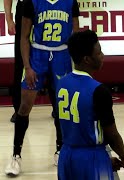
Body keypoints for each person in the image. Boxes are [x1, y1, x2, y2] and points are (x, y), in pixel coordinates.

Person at [5, 0, 80, 176]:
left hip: (62, 55)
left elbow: (75, 32)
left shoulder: (71, 2)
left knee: (62, 107)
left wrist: (75, 66)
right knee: (24, 107)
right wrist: (27, 67)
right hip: (38, 55)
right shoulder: (32, 2)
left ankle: (60, 150)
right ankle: (16, 155)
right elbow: (24, 37)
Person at [57, 29, 124, 180]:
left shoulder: (61, 83)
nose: (102, 56)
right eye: (99, 52)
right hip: (92, 157)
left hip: (66, 157)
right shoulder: (98, 90)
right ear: (87, 59)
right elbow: (112, 134)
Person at [3, 0, 57, 123]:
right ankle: (19, 110)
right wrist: (9, 18)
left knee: (51, 55)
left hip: (47, 7)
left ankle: (58, 107)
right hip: (24, 6)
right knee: (21, 61)